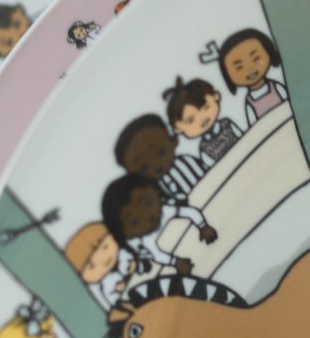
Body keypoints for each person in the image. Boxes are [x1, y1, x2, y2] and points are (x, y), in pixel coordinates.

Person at [114, 113, 219, 253]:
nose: (156, 165)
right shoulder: (152, 195)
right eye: (144, 168)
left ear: (173, 140)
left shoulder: (187, 162)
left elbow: (211, 177)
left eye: (160, 153)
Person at [163, 74, 239, 181]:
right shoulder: (204, 148)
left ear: (216, 96)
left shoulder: (227, 124)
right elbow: (213, 171)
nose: (202, 118)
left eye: (206, 107)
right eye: (190, 120)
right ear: (177, 128)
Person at [213, 27, 286, 123]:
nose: (250, 68)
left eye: (256, 58)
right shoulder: (250, 102)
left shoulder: (276, 87)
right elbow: (254, 125)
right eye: (239, 67)